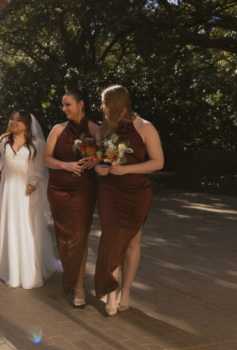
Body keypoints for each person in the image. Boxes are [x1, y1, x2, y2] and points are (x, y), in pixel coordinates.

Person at [94, 85, 163, 315]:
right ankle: (111, 294)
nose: (101, 106)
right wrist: (99, 168)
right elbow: (96, 160)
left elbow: (157, 162)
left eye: (104, 102)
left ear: (116, 102)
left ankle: (126, 291)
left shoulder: (145, 127)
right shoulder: (102, 130)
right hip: (109, 191)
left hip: (136, 191)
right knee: (111, 240)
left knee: (132, 242)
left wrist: (125, 171)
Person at [43, 88, 99, 308]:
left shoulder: (96, 130)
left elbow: (106, 157)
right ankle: (71, 274)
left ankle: (79, 287)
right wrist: (65, 165)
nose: (64, 108)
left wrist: (96, 160)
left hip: (84, 190)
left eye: (68, 104)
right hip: (58, 188)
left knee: (79, 236)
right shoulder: (58, 129)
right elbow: (46, 159)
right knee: (64, 238)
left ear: (81, 104)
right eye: (63, 105)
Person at [0, 110, 61, 289]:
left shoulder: (37, 143)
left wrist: (32, 182)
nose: (13, 122)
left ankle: (28, 273)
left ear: (27, 124)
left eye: (18, 120)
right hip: (8, 190)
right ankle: (12, 272)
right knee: (10, 226)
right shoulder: (1, 141)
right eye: (12, 119)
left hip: (26, 190)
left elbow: (41, 168)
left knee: (26, 226)